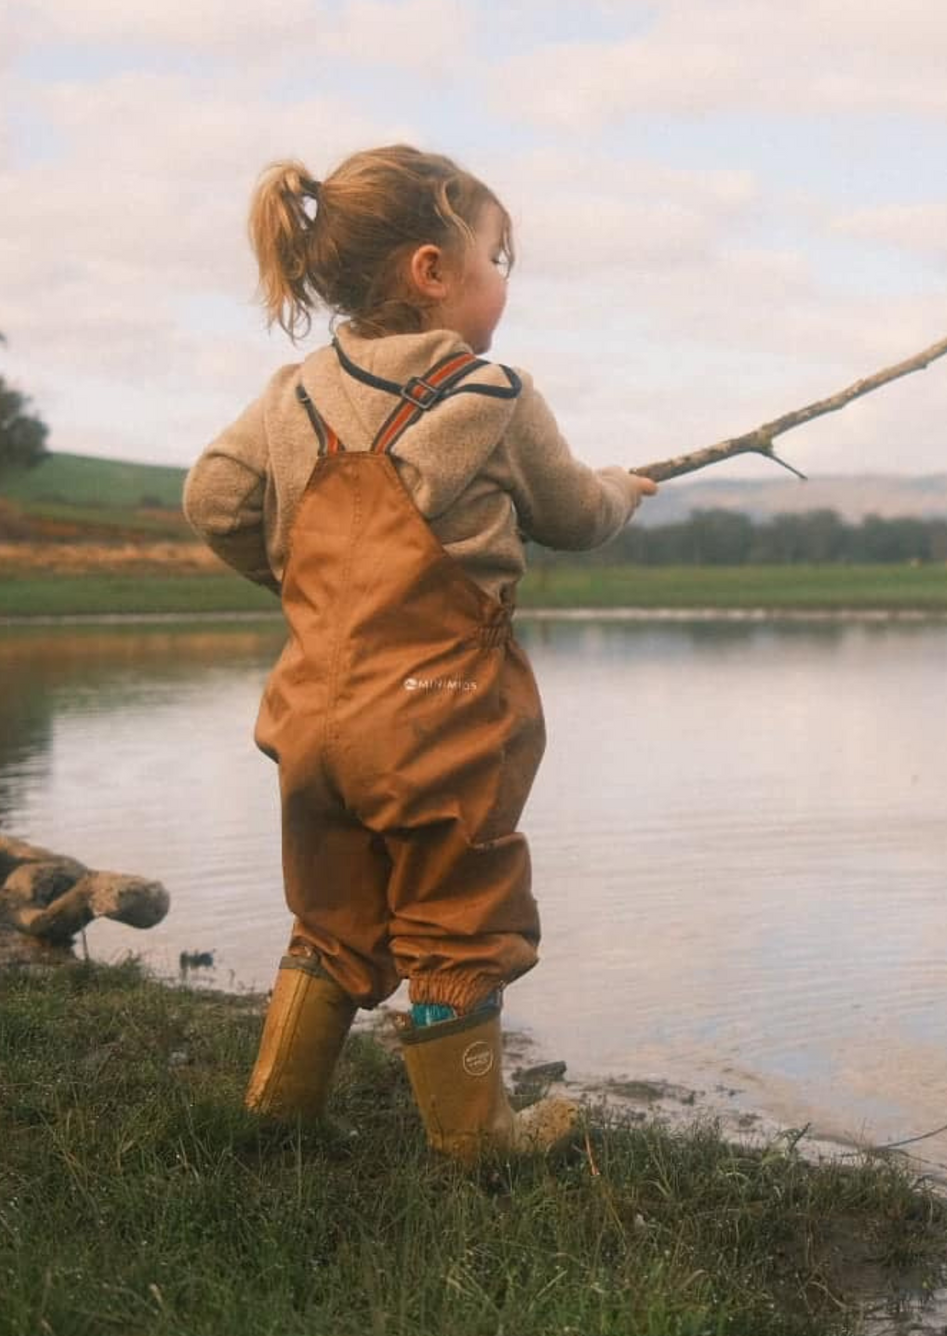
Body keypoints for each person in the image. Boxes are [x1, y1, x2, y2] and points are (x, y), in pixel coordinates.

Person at [183, 144, 656, 1161]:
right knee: (457, 916)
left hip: (311, 711)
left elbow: (211, 498)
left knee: (333, 909)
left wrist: (296, 578)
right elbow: (572, 514)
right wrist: (621, 486)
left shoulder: (290, 395)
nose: (504, 283)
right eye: (498, 257)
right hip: (438, 719)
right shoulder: (489, 393)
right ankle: (475, 1136)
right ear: (432, 270)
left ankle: (279, 1104)